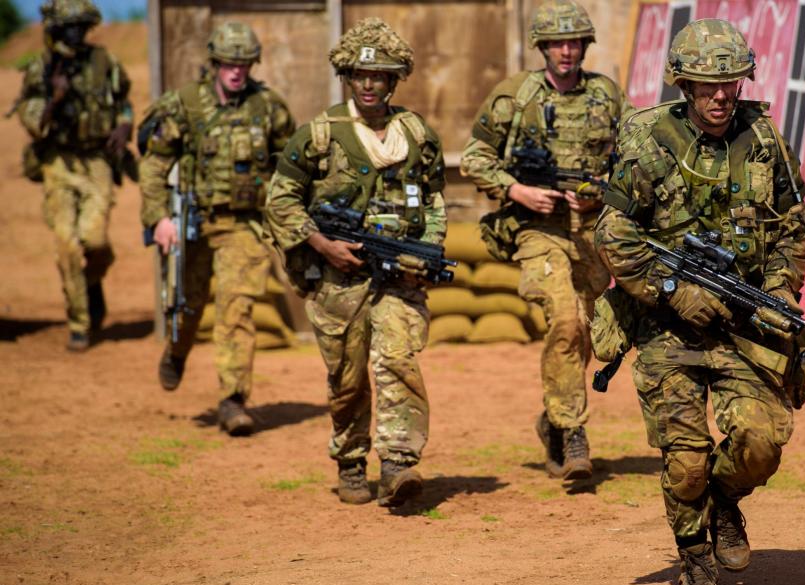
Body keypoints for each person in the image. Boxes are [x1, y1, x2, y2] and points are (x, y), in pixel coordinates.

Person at [594, 19, 805, 585]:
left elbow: (792, 229)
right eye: (706, 85)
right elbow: (613, 234)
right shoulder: (648, 141)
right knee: (685, 460)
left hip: (741, 324)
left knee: (762, 444)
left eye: (731, 83)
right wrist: (673, 292)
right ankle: (693, 555)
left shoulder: (765, 141)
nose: (720, 96)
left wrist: (783, 290)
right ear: (682, 84)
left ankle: (725, 505)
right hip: (668, 325)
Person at [264, 18, 447, 507]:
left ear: (393, 81)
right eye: (360, 76)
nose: (369, 85)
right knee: (346, 380)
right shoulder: (319, 136)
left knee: (397, 360)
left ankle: (397, 464)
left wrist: (427, 251)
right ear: (347, 77)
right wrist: (323, 245)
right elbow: (280, 201)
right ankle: (350, 457)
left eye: (380, 76)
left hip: (399, 275)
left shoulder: (416, 135)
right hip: (336, 281)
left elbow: (433, 201)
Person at [460, 0, 629, 482]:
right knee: (565, 318)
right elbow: (474, 158)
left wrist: (599, 192)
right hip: (537, 232)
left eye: (574, 42)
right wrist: (517, 190)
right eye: (557, 42)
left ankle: (552, 419)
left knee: (592, 334)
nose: (567, 51)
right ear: (542, 47)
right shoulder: (514, 96)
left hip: (591, 233)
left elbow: (637, 159)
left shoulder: (607, 96)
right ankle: (574, 433)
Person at [138, 22, 295, 436]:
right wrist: (159, 219)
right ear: (214, 63)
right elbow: (154, 166)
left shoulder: (268, 107)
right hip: (193, 222)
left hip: (244, 225)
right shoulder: (186, 105)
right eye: (229, 63)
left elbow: (292, 164)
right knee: (188, 305)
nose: (237, 71)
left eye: (244, 63)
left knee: (236, 308)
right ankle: (177, 349)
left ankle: (233, 399)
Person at [13, 0, 133, 352]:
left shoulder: (104, 61)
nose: (76, 33)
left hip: (96, 161)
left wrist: (125, 125)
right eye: (69, 27)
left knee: (95, 241)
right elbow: (33, 122)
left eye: (81, 26)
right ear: (55, 31)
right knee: (66, 243)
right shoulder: (41, 68)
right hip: (59, 164)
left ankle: (91, 281)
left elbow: (123, 99)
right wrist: (56, 98)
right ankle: (79, 323)